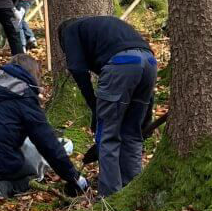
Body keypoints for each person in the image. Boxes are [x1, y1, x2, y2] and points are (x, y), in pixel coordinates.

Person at [0, 54, 87, 199]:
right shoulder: (25, 98)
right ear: (34, 75)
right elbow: (48, 144)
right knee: (33, 167)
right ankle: (7, 186)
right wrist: (73, 177)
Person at [57, 15, 157, 197]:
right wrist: (147, 115)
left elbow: (77, 69)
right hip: (149, 61)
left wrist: (95, 106)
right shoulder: (106, 29)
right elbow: (145, 81)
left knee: (107, 136)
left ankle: (110, 196)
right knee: (132, 134)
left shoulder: (70, 31)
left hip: (122, 64)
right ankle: (131, 192)